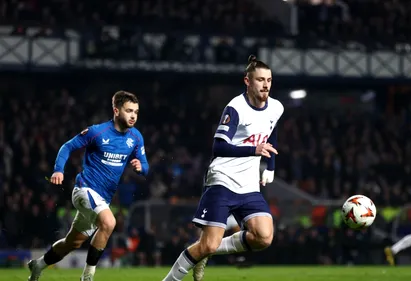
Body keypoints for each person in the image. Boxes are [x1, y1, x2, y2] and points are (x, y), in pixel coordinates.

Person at [161, 55, 284, 281]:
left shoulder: (276, 107)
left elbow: (271, 131)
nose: (266, 84)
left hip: (248, 185)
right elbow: (218, 147)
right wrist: (253, 150)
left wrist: (270, 167)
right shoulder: (235, 108)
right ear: (247, 81)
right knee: (206, 244)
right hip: (223, 180)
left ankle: (206, 250)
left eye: (269, 80)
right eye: (260, 80)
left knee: (264, 237)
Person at [27, 91, 149, 281]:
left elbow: (146, 166)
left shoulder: (136, 137)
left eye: (136, 111)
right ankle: (88, 276)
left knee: (72, 243)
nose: (133, 115)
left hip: (103, 199)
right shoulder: (97, 132)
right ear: (116, 111)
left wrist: (141, 168)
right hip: (84, 190)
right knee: (109, 222)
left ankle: (38, 264)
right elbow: (67, 146)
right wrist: (58, 170)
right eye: (128, 111)